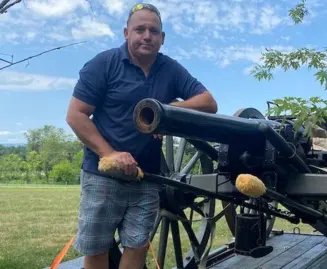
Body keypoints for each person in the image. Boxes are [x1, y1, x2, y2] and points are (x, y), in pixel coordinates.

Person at [65, 3, 218, 269]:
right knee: (97, 250)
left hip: (147, 177)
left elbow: (208, 102)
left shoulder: (170, 69)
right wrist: (110, 153)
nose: (147, 36)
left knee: (136, 248)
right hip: (102, 176)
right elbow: (76, 115)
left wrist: (164, 113)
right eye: (140, 29)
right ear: (126, 33)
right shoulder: (104, 64)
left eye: (154, 31)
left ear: (162, 38)